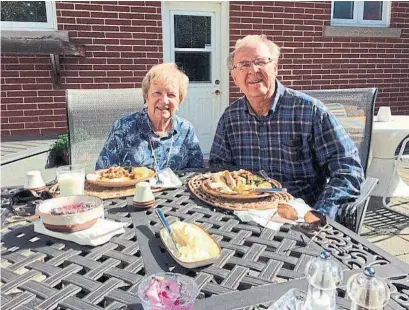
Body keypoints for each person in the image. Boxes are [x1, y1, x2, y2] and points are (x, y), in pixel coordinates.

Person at [209, 35, 364, 219]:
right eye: (244, 65)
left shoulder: (311, 112)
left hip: (299, 215)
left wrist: (320, 213)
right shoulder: (230, 118)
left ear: (275, 67)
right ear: (235, 77)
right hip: (247, 214)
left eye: (260, 62)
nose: (253, 70)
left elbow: (348, 169)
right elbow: (218, 167)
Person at [96, 63, 204, 171]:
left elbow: (197, 173)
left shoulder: (186, 129)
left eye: (171, 95)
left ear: (179, 100)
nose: (164, 101)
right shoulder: (124, 127)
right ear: (146, 96)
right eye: (157, 93)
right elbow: (103, 171)